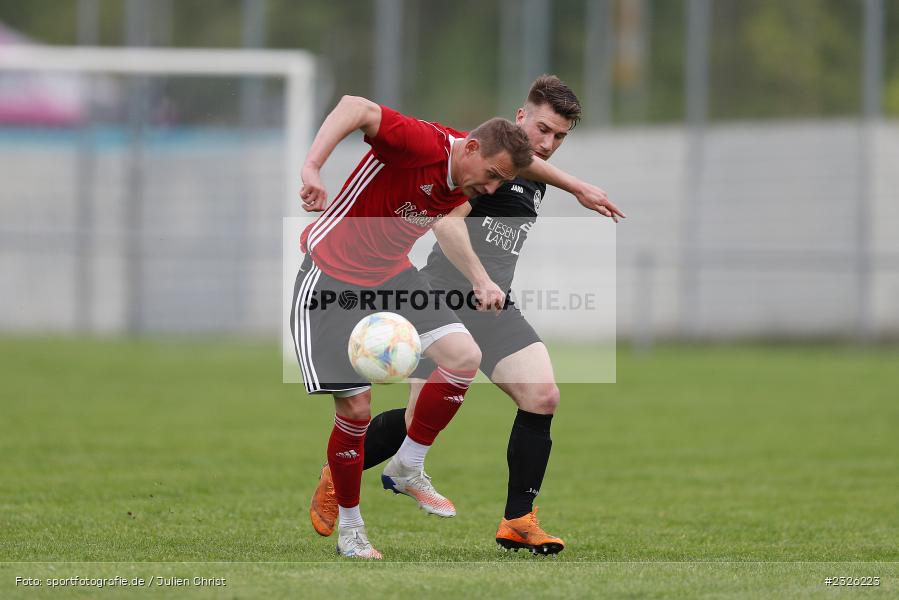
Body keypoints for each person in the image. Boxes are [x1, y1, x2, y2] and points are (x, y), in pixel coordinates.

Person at [308, 77, 624, 556]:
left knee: (542, 395)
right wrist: (479, 277)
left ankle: (518, 520)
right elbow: (446, 220)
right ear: (520, 116)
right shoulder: (483, 162)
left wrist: (578, 186)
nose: (547, 143)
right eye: (542, 129)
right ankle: (339, 475)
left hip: (494, 306)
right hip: (445, 292)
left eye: (560, 137)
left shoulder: (525, 170)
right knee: (416, 416)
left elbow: (537, 168)